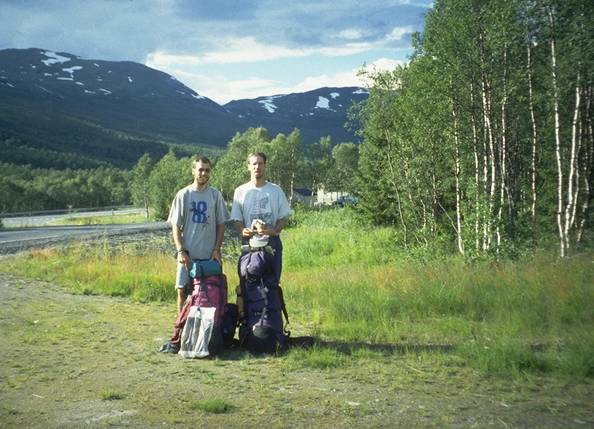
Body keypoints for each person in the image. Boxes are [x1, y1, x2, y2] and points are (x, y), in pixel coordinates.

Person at [168, 156, 229, 315]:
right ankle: (181, 330)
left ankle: (209, 331)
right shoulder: (183, 195)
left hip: (209, 256)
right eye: (200, 169)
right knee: (182, 290)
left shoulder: (215, 195)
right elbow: (175, 225)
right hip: (187, 256)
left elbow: (221, 224)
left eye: (207, 170)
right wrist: (180, 250)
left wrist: (217, 249)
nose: (204, 173)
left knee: (210, 293)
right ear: (193, 171)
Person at [230, 152, 292, 283]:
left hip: (272, 243)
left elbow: (284, 216)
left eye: (260, 163)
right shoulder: (240, 191)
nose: (257, 167)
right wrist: (242, 230)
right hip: (249, 244)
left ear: (265, 166)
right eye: (254, 164)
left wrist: (275, 231)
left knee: (272, 284)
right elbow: (236, 219)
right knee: (247, 283)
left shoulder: (276, 190)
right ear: (248, 166)